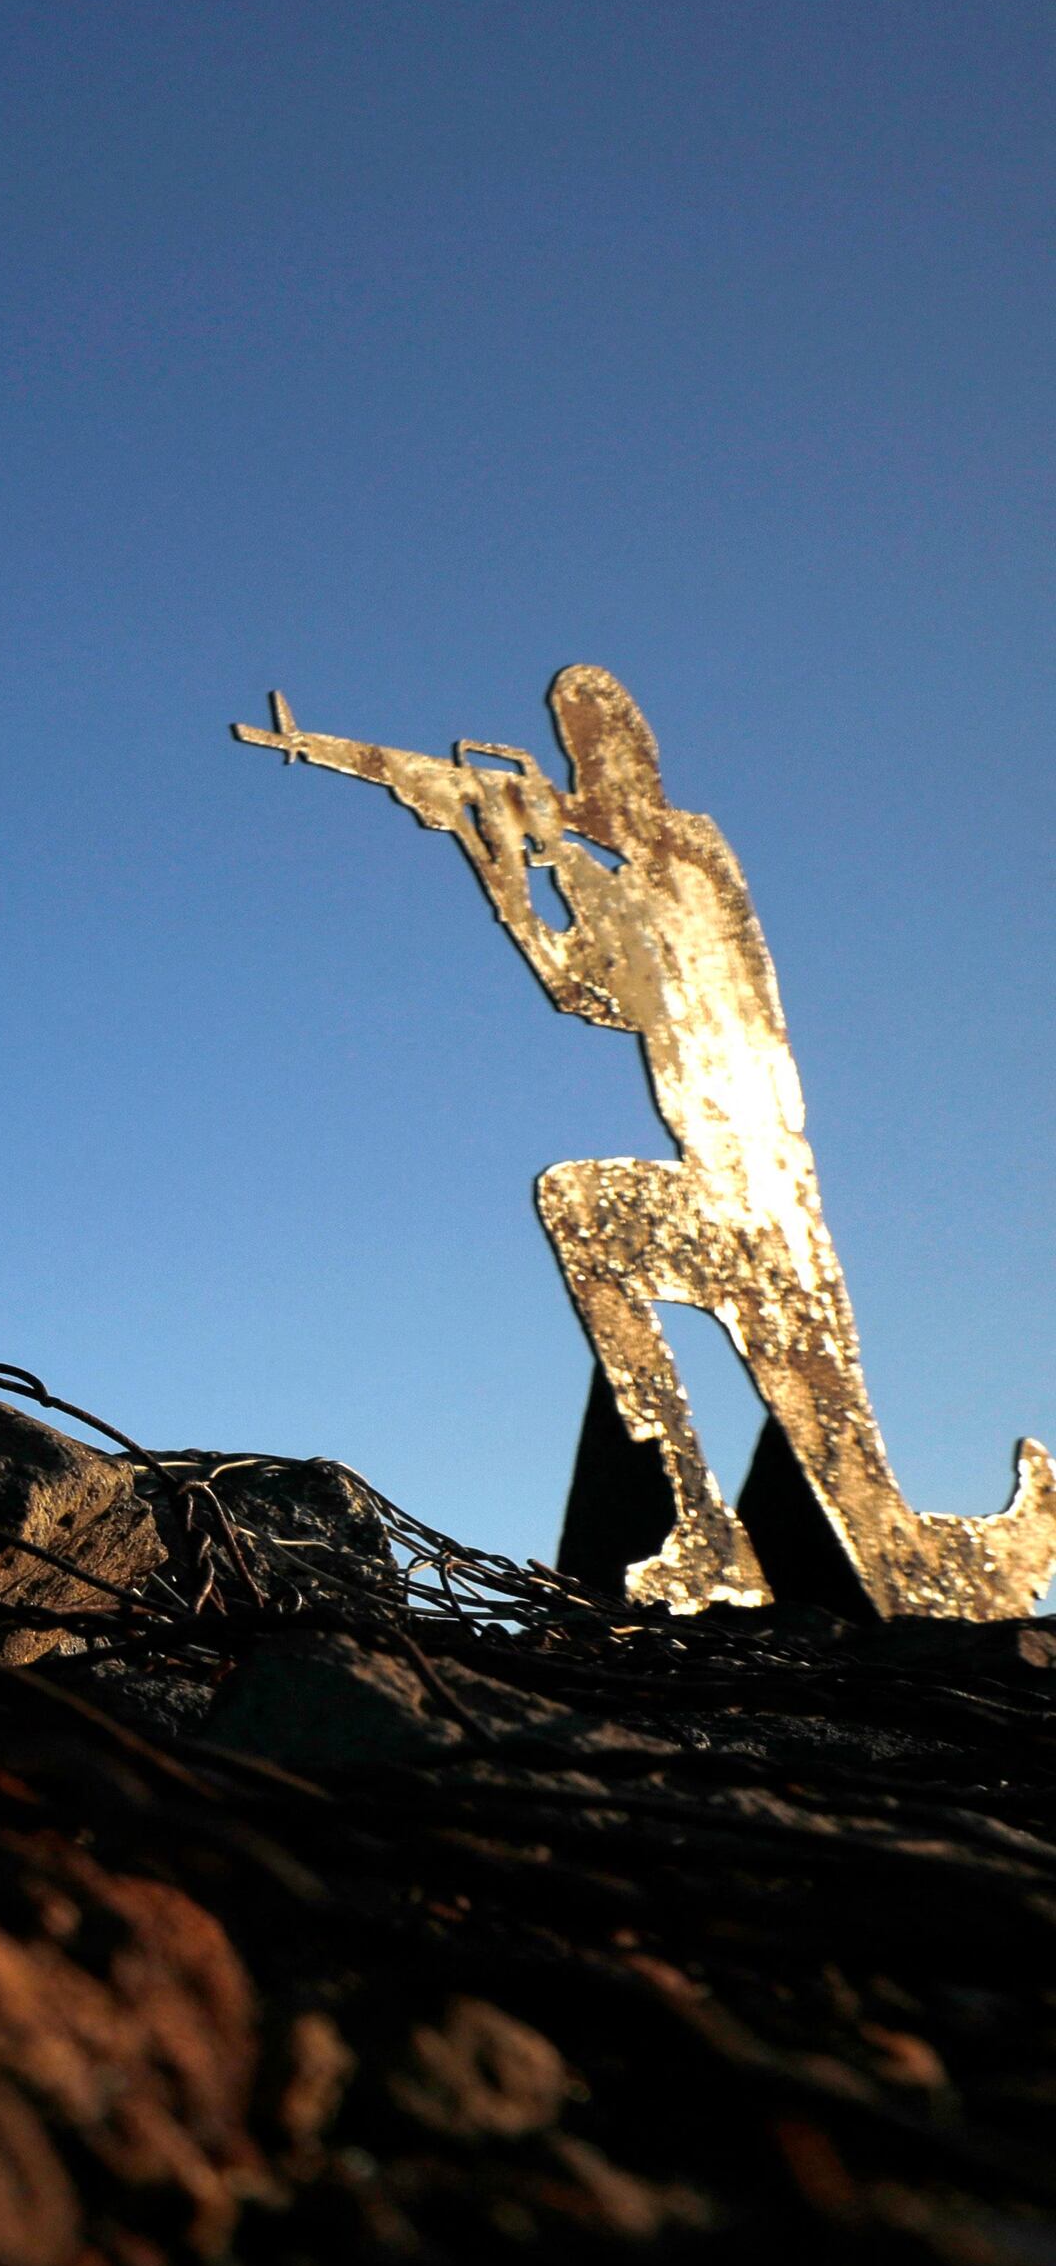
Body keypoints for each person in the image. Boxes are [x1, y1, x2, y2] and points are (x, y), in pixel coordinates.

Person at [242, 668, 1054, 1614]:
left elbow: (633, 939)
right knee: (588, 1215)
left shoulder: (689, 856)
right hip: (725, 1180)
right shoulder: (631, 877)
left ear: (641, 761)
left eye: (603, 753)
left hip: (762, 1185)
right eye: (581, 752)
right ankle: (700, 1526)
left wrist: (546, 846)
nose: (590, 773)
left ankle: (938, 1546)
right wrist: (501, 863)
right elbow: (580, 989)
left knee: (849, 1487)